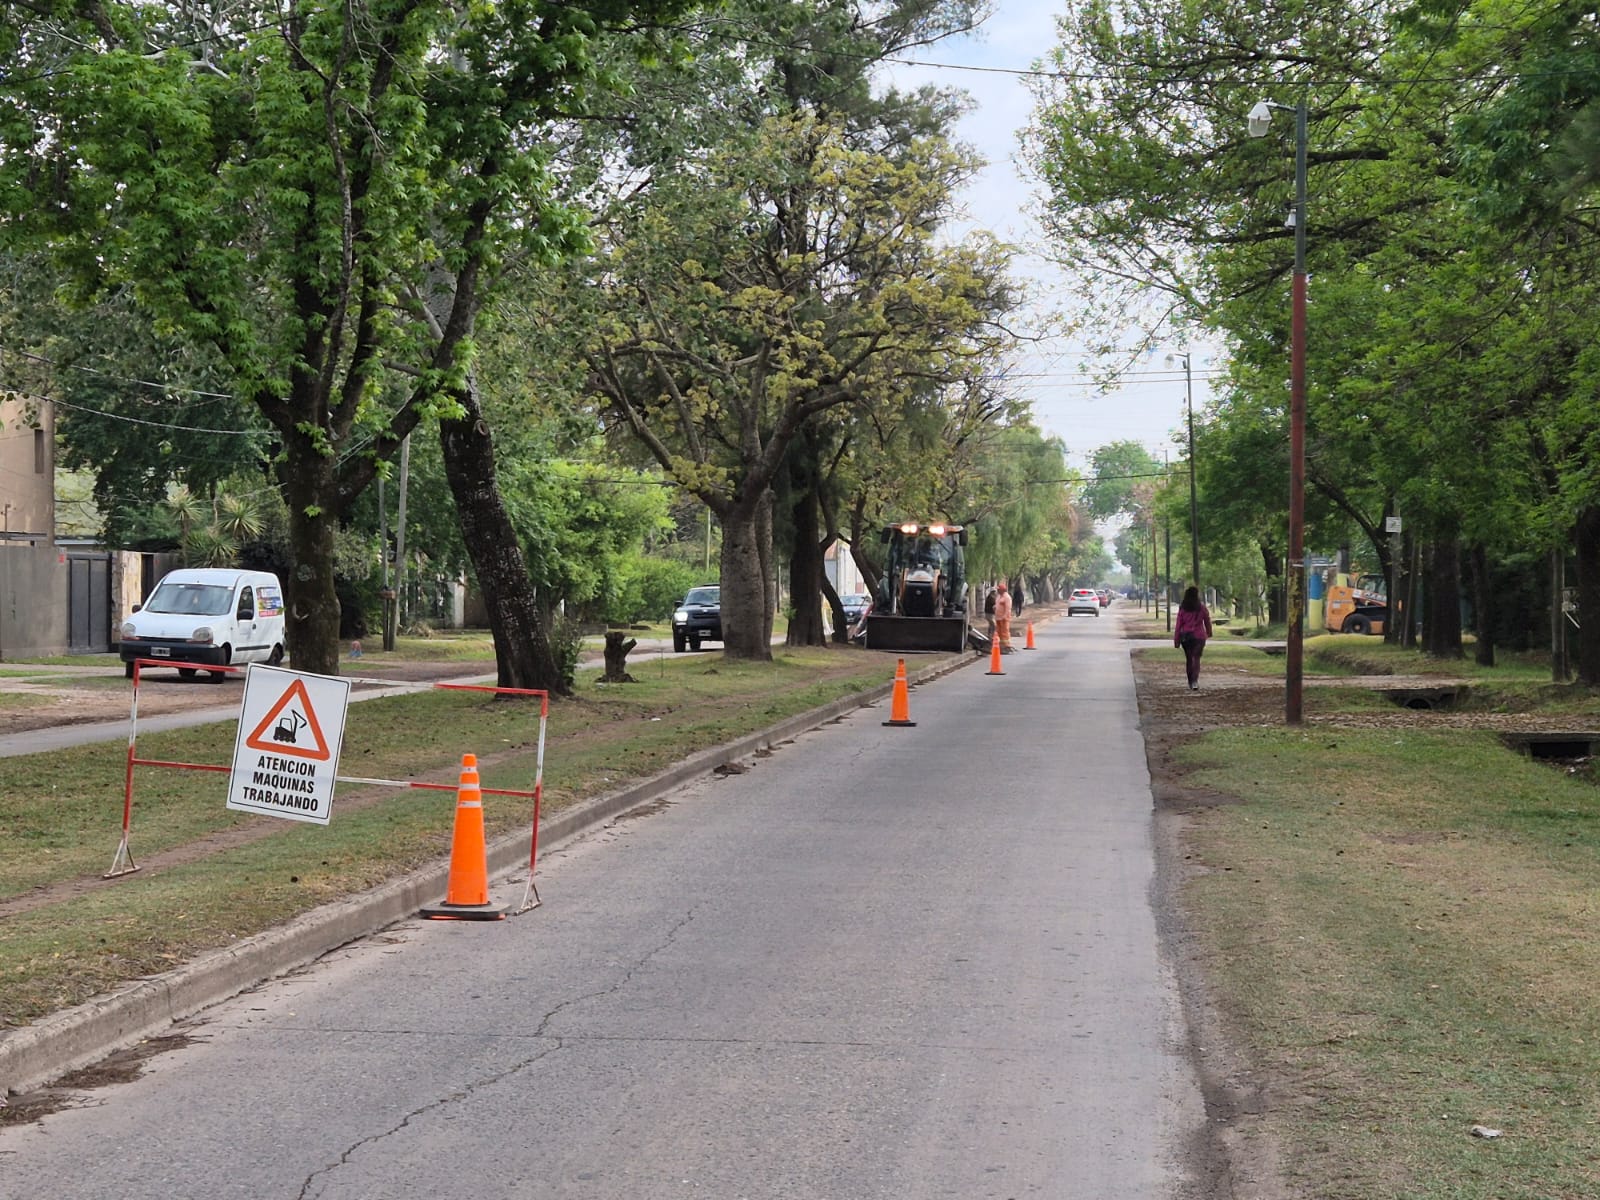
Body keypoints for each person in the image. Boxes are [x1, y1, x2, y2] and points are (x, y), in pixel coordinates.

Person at [1173, 586, 1214, 690]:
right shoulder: (1201, 608)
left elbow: (1178, 625)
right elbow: (1207, 621)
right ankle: (1195, 681)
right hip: (1199, 636)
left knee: (1189, 659)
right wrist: (1209, 632)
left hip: (1186, 637)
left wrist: (1176, 639)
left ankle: (1190, 681)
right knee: (1196, 658)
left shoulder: (1182, 609)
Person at [994, 580, 1014, 652]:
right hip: (998, 618)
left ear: (1002, 590)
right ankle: (1001, 645)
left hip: (1004, 618)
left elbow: (1008, 608)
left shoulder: (1007, 597)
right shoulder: (999, 596)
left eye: (999, 589)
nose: (997, 590)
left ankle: (1006, 645)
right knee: (999, 631)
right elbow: (997, 604)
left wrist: (1004, 616)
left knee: (1004, 632)